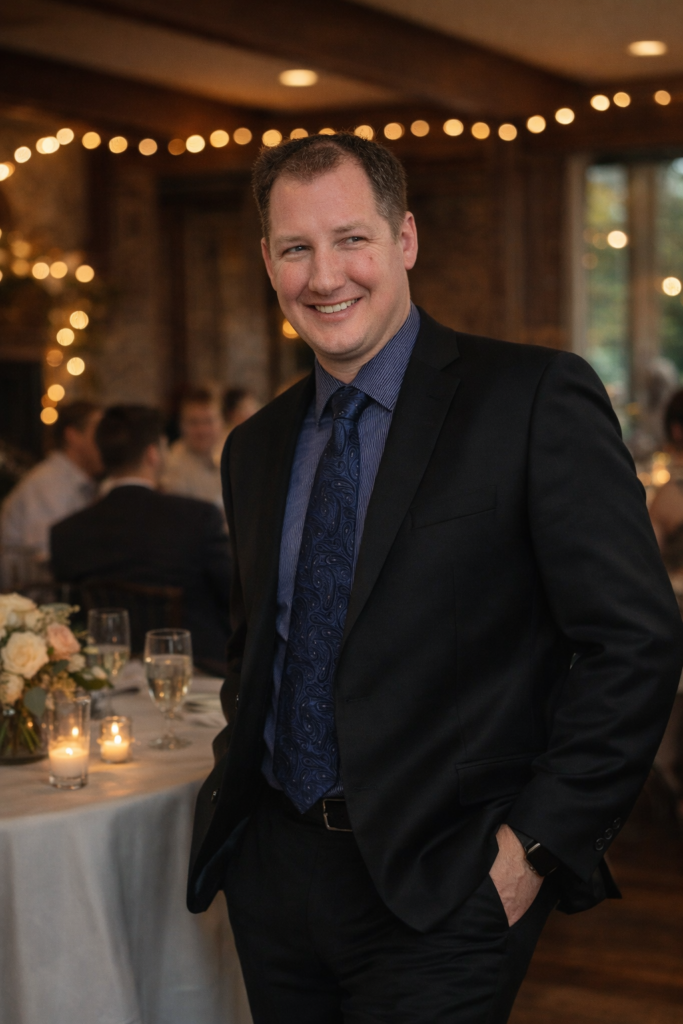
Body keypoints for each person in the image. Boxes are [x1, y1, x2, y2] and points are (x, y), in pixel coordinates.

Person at [187, 133, 683, 1024]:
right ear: (268, 262)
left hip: (444, 884)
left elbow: (634, 643)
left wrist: (530, 848)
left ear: (404, 239)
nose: (324, 275)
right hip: (275, 877)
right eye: (296, 248)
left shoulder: (530, 398)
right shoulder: (254, 447)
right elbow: (262, 647)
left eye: (351, 240)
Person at [51, 405, 231, 673]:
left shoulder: (66, 532)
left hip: (105, 674)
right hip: (196, 671)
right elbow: (233, 596)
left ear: (103, 454)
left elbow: (69, 619)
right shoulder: (198, 518)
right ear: (153, 454)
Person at [0, 401, 102, 561]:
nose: (105, 442)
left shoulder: (83, 483)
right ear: (72, 435)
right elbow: (45, 557)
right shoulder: (49, 484)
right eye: (98, 432)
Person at [161, 388, 224, 508]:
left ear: (221, 422)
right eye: (193, 422)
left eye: (208, 421)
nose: (202, 430)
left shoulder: (229, 457)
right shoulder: (171, 465)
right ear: (181, 425)